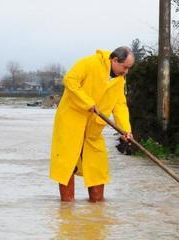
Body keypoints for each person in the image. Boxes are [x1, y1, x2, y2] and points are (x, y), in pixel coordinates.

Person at [49, 47, 135, 202]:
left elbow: (120, 106)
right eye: (125, 67)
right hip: (71, 121)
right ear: (115, 60)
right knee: (67, 165)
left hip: (94, 128)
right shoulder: (91, 63)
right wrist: (87, 102)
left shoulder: (119, 80)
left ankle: (96, 212)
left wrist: (125, 130)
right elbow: (70, 80)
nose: (126, 72)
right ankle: (67, 211)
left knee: (97, 166)